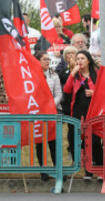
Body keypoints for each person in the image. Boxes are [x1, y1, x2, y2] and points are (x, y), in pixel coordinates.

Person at [63, 50, 101, 180]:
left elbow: (104, 91)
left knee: (94, 142)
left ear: (88, 60)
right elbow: (66, 90)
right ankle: (87, 171)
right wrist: (72, 74)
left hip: (93, 113)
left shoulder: (96, 74)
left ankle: (100, 170)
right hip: (78, 113)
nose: (79, 61)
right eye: (78, 58)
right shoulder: (75, 76)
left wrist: (94, 92)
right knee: (79, 141)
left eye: (82, 58)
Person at [35, 51, 63, 181]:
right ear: (38, 61)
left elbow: (59, 94)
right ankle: (43, 171)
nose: (48, 61)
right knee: (40, 142)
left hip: (52, 112)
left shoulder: (53, 75)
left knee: (53, 142)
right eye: (45, 59)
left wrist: (51, 106)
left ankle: (58, 170)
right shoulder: (31, 75)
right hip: (37, 112)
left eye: (48, 59)